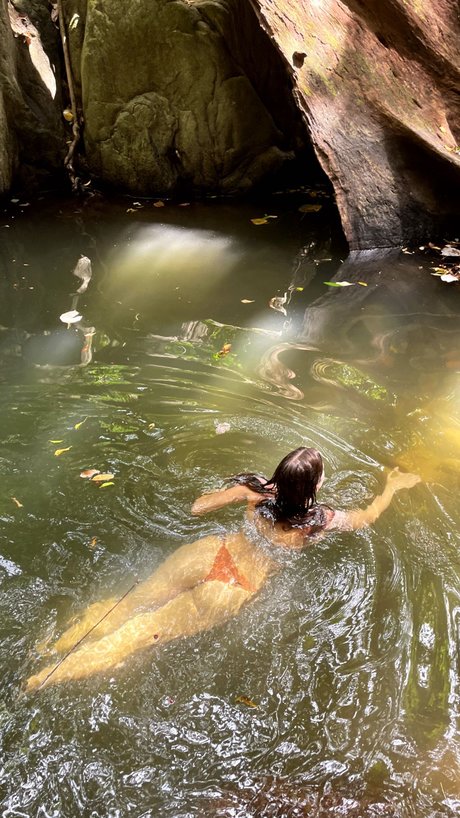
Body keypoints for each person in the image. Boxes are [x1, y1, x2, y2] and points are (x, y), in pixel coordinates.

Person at [25, 447, 420, 692]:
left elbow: (198, 507)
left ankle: (49, 648)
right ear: (314, 486)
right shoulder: (320, 520)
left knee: (128, 604)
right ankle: (41, 680)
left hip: (211, 551)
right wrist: (393, 487)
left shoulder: (258, 493)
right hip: (235, 585)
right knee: (140, 633)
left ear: (280, 474)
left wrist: (241, 492)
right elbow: (369, 516)